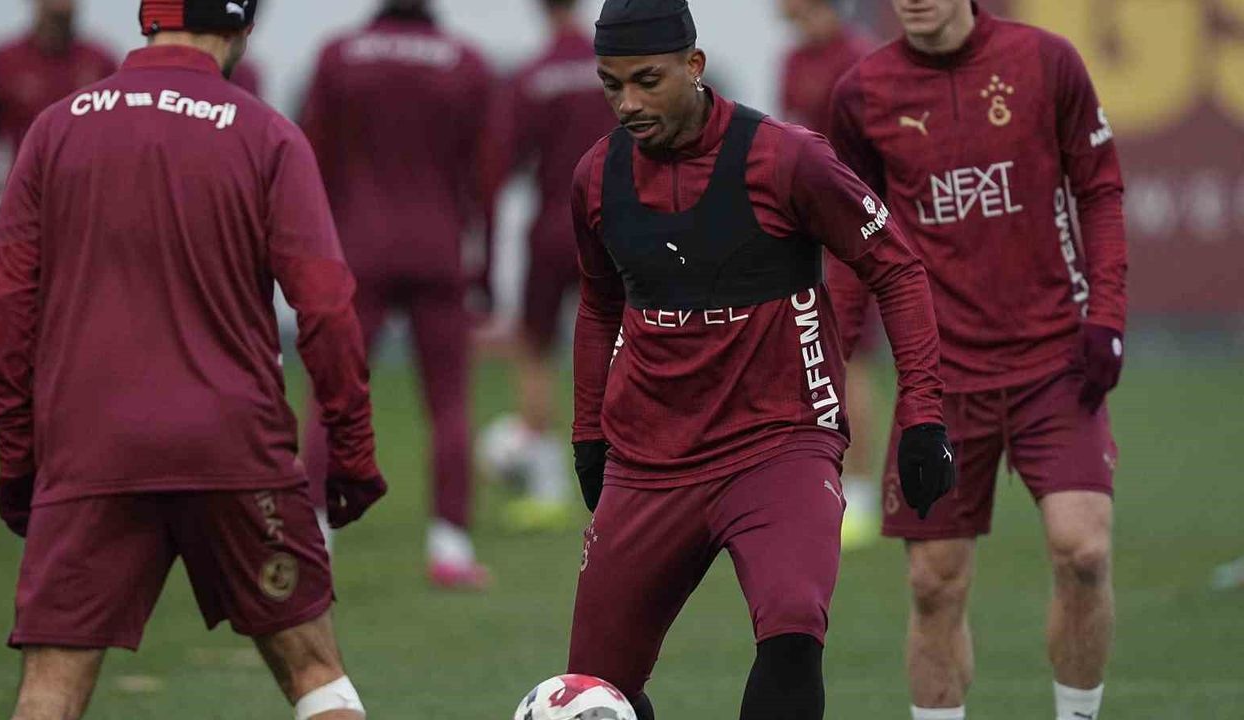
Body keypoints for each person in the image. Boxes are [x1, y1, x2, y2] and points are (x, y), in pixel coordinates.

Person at [0, 1, 387, 717]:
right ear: (244, 27)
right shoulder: (266, 133)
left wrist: (19, 457)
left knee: (50, 690)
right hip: (234, 449)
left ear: (148, 18)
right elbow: (325, 308)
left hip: (90, 452)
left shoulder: (55, 129)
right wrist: (350, 450)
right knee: (316, 675)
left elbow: (8, 309)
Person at [566, 1, 956, 718]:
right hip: (649, 459)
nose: (628, 104)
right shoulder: (597, 176)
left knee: (793, 625)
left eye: (647, 81)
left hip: (779, 444)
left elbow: (897, 270)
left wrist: (923, 418)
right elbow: (597, 307)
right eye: (611, 85)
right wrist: (588, 434)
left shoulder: (786, 158)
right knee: (594, 691)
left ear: (694, 65)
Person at [827, 2, 1128, 720]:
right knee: (934, 583)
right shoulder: (861, 95)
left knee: (1084, 552)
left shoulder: (1047, 63)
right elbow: (851, 236)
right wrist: (835, 350)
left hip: (1054, 363)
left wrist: (1108, 316)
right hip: (938, 378)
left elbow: (1099, 189)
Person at [300, 0, 496, 589]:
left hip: (357, 246)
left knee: (332, 398)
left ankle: (314, 540)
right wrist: (485, 267)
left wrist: (312, 252)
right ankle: (451, 549)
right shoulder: (466, 61)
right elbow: (485, 173)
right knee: (449, 403)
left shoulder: (338, 55)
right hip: (439, 246)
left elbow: (311, 159)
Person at [486, 0, 620, 532]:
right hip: (614, 224)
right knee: (624, 348)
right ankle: (629, 478)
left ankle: (546, 487)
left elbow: (505, 160)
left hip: (551, 226)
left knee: (535, 350)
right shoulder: (613, 69)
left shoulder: (531, 76)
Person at [777, 0, 881, 551]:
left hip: (849, 226)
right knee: (799, 357)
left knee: (848, 358)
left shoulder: (859, 59)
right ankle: (810, 485)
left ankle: (859, 492)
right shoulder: (793, 60)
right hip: (801, 225)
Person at [0, 0, 115, 224]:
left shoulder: (100, 65)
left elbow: (129, 141)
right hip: (14, 214)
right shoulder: (1, 65)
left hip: (83, 213)